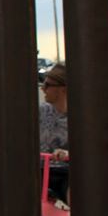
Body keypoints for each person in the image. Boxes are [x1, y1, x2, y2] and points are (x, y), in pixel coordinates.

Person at [39, 64, 69, 203]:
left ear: (63, 89)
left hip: (65, 174)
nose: (42, 88)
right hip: (37, 172)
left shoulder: (83, 119)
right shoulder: (40, 111)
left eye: (47, 85)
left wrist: (66, 154)